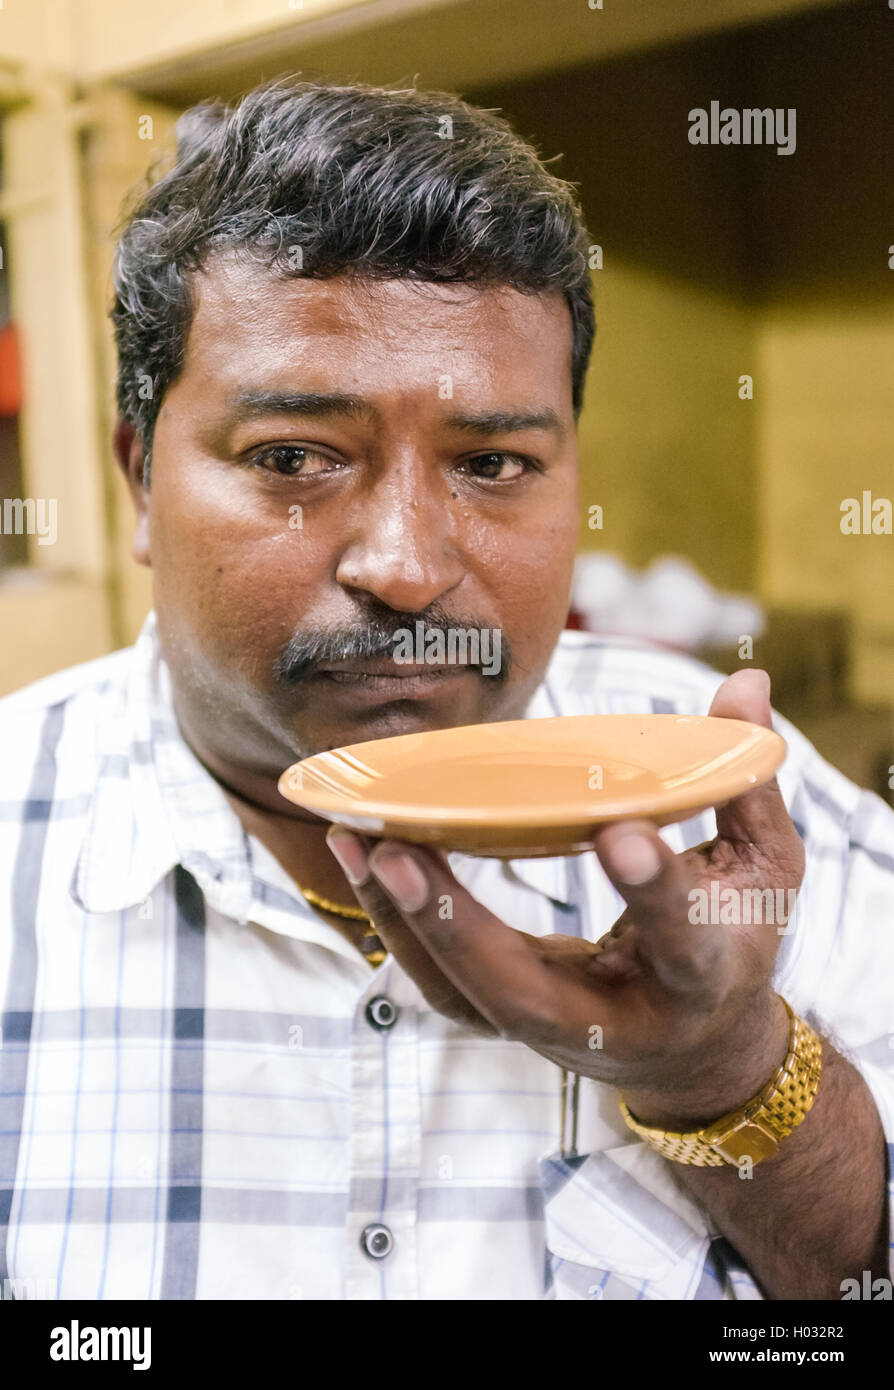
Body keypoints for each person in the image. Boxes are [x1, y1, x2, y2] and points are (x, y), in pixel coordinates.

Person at [0, 78, 891, 1302]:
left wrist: (728, 1068)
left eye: (492, 463)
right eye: (294, 458)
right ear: (139, 474)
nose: (408, 570)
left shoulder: (744, 812)